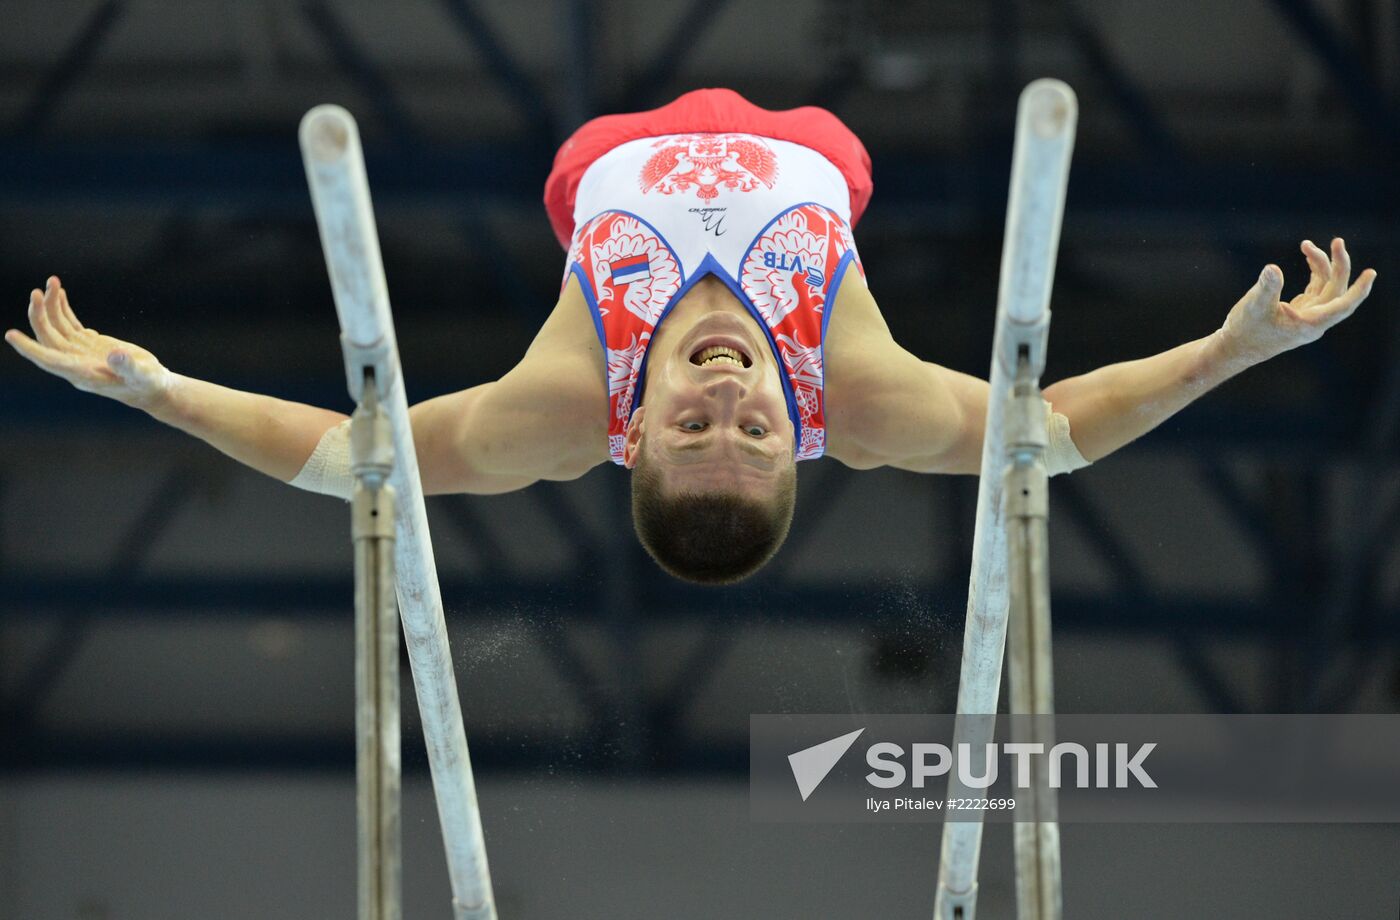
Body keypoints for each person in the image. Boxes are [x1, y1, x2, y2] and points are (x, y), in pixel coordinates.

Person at [5, 89, 1378, 585]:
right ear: (804, 442)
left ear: (628, 435)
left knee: (583, 172)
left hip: (606, 160)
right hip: (807, 156)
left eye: (688, 428)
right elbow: (1060, 435)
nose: (727, 395)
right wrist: (1231, 351)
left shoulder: (556, 407)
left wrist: (155, 384)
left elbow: (348, 459)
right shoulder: (867, 395)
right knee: (836, 163)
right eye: (757, 430)